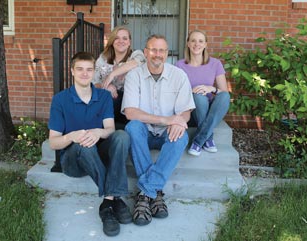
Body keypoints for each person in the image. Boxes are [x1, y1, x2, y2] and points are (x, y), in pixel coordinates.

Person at [48, 52, 131, 237]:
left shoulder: (103, 96)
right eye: (80, 69)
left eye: (89, 69)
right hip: (73, 162)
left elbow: (109, 128)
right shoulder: (60, 100)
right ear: (72, 71)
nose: (85, 74)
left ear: (94, 72)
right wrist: (72, 136)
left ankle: (107, 204)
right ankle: (115, 198)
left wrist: (97, 132)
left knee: (121, 136)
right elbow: (53, 142)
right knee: (82, 145)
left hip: (97, 154)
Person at [121, 35, 195, 226]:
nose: (157, 54)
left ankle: (146, 192)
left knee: (181, 137)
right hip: (144, 131)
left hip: (166, 134)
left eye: (162, 51)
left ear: (167, 54)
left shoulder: (179, 76)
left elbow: (185, 111)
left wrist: (178, 122)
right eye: (153, 50)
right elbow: (130, 112)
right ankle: (156, 194)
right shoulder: (134, 75)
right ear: (145, 52)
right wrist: (166, 119)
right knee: (132, 127)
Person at [176, 30, 230, 156]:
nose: (196, 44)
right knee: (198, 96)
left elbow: (223, 91)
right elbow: (176, 93)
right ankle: (208, 138)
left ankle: (198, 141)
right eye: (193, 40)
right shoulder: (179, 65)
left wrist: (211, 89)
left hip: (211, 110)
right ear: (188, 44)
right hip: (191, 111)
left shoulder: (215, 63)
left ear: (205, 44)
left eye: (200, 41)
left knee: (225, 96)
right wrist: (192, 92)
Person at [93, 26, 145, 124]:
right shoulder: (103, 59)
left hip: (131, 103)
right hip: (110, 102)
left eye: (125, 38)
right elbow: (94, 83)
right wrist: (105, 86)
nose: (121, 41)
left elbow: (137, 62)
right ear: (112, 41)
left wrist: (112, 74)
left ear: (129, 42)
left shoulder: (136, 55)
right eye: (117, 38)